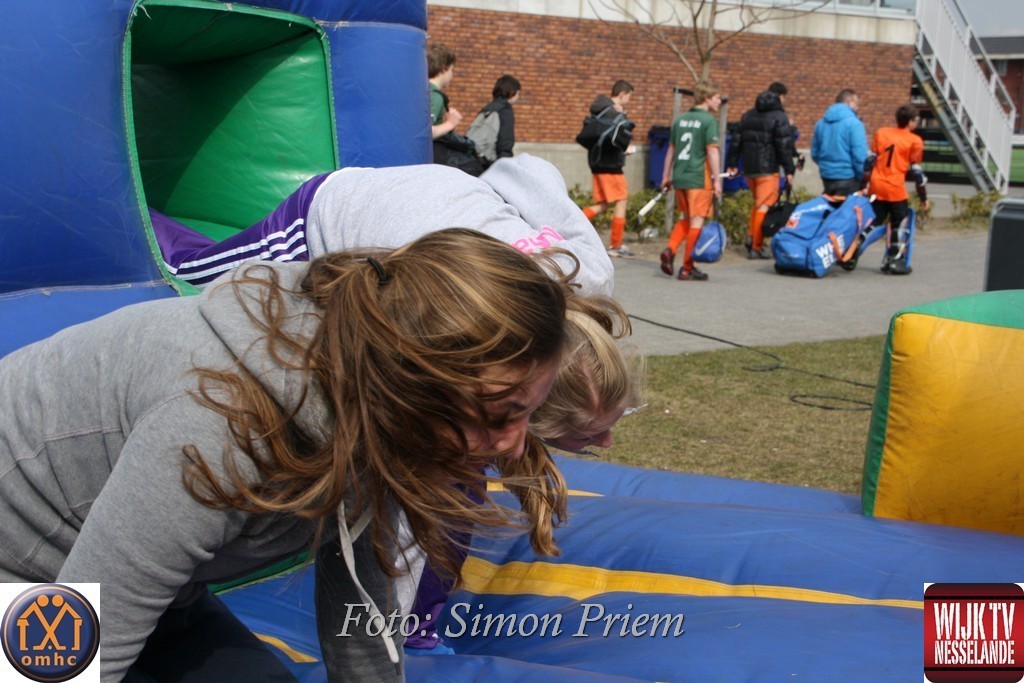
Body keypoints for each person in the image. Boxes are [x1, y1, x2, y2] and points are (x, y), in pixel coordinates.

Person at [0, 228, 577, 681]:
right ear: (409, 387)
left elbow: (360, 607)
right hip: (32, 579)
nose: (513, 444)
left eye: (528, 413)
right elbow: (71, 639)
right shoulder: (218, 426)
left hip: (155, 595)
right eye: (499, 415)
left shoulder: (376, 400)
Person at [401, 292, 642, 656]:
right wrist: (415, 635)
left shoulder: (568, 327)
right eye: (587, 435)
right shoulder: (454, 443)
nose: (607, 443)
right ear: (528, 413)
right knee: (450, 502)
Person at [152, 154, 615, 298]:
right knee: (196, 274)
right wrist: (481, 200)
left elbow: (526, 169)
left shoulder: (592, 275)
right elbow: (528, 169)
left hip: (427, 200)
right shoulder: (588, 277)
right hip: (335, 210)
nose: (606, 443)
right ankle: (135, 214)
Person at [659, 82, 724, 281]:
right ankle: (687, 267)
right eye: (716, 98)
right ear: (706, 98)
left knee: (686, 218)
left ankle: (670, 250)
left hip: (680, 175)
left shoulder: (680, 120)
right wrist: (717, 180)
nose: (719, 102)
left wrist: (666, 175)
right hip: (698, 177)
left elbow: (671, 150)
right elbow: (712, 152)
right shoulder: (708, 120)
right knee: (697, 220)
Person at [726, 85, 796, 259]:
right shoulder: (779, 117)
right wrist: (789, 169)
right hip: (768, 168)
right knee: (764, 205)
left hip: (749, 168)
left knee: (758, 204)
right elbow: (784, 146)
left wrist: (732, 163)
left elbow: (736, 141)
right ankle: (756, 246)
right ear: (779, 98)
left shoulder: (748, 115)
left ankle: (751, 236)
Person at [865, 103, 929, 275]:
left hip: (876, 186)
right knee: (900, 222)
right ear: (910, 122)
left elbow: (869, 161)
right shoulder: (914, 141)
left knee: (874, 221)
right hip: (895, 188)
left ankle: (854, 250)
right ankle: (895, 259)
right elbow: (917, 173)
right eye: (916, 120)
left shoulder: (882, 133)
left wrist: (863, 186)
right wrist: (923, 197)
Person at [580, 80, 637, 258]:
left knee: (603, 204)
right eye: (629, 96)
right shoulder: (615, 113)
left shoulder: (599, 110)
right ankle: (615, 245)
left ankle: (572, 220)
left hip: (596, 163)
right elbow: (618, 140)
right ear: (622, 94)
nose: (629, 100)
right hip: (611, 165)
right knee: (621, 200)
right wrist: (625, 149)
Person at [810, 88, 868, 197]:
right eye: (857, 104)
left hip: (826, 176)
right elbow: (859, 156)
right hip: (848, 176)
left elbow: (814, 153)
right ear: (850, 102)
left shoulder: (820, 123)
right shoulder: (854, 123)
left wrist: (826, 167)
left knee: (831, 205)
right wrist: (862, 177)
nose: (857, 108)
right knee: (849, 207)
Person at [475, 75, 521, 163]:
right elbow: (505, 143)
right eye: (518, 93)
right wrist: (506, 165)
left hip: (478, 159)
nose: (518, 97)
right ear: (512, 92)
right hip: (492, 161)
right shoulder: (505, 110)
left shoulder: (487, 108)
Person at [428, 43, 462, 140]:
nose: (452, 75)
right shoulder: (435, 96)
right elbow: (425, 132)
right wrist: (450, 124)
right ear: (443, 69)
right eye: (451, 70)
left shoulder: (421, 90)